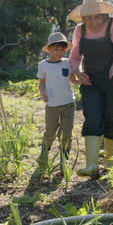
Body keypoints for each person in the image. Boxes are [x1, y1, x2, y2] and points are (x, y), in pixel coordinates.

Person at [67, 0, 113, 178]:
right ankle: (92, 165)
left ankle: (111, 165)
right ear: (83, 18)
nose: (92, 21)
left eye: (96, 17)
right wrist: (77, 72)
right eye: (88, 17)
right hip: (91, 80)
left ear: (104, 15)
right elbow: (75, 55)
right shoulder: (80, 30)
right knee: (92, 116)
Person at [37, 32, 80, 167]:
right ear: (49, 49)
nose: (59, 52)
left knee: (67, 131)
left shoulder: (67, 63)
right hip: (52, 105)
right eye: (56, 49)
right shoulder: (43, 65)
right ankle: (44, 152)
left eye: (62, 49)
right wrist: (43, 93)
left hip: (68, 103)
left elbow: (73, 80)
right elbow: (42, 82)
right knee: (50, 131)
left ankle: (64, 157)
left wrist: (83, 81)